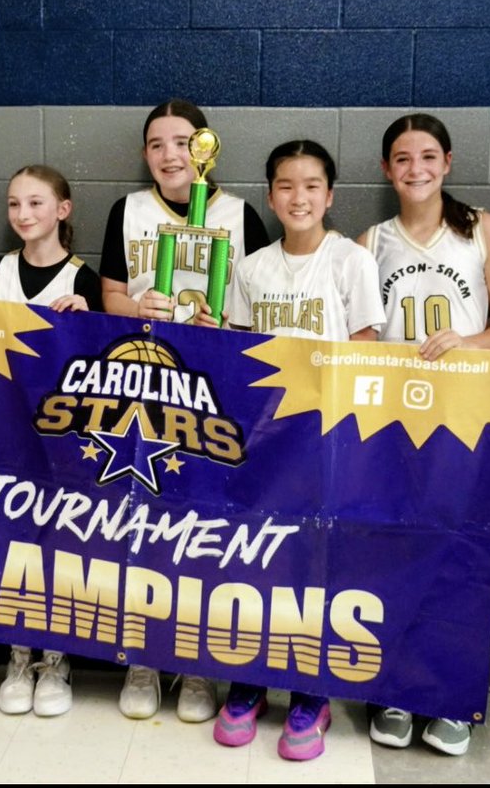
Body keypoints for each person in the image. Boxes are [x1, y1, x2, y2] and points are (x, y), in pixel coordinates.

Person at [201, 140, 384, 761]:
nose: (298, 197)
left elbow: (365, 353)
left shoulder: (351, 261)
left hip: (329, 440)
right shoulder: (251, 268)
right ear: (270, 195)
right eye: (285, 185)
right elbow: (239, 353)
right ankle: (249, 680)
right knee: (258, 557)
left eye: (311, 186)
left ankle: (312, 691)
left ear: (329, 196)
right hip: (265, 442)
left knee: (318, 561)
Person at [99, 98, 270, 722]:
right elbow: (110, 293)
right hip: (142, 380)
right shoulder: (128, 211)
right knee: (140, 520)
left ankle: (197, 664)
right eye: (156, 144)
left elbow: (259, 304)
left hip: (213, 391)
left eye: (181, 141)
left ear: (205, 147)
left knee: (203, 524)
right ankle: (144, 658)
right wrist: (135, 308)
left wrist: (224, 324)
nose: (170, 154)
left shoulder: (240, 214)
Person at [358, 113, 490, 757]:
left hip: (468, 415)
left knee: (460, 552)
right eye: (402, 158)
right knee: (394, 549)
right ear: (386, 169)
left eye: (428, 156)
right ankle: (394, 689)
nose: (416, 168)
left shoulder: (481, 229)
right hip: (394, 419)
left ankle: (451, 697)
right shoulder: (371, 241)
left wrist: (466, 344)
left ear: (447, 162)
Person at [0, 164, 101, 716]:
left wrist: (90, 319)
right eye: (14, 203)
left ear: (62, 210)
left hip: (64, 439)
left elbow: (103, 367)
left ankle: (57, 656)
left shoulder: (84, 280)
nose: (23, 214)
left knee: (60, 543)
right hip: (3, 432)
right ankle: (19, 653)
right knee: (12, 541)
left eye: (36, 203)